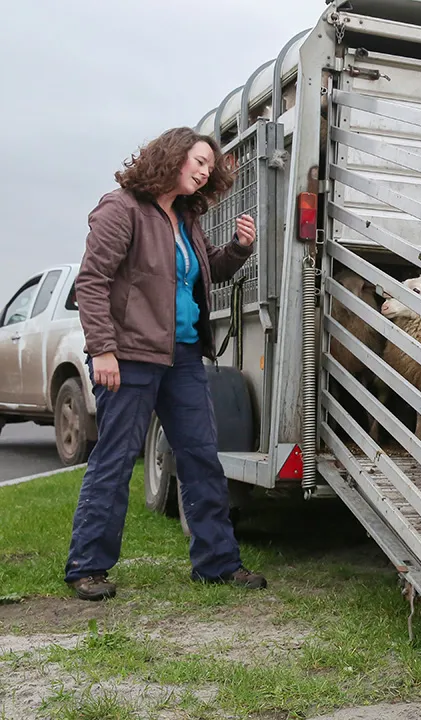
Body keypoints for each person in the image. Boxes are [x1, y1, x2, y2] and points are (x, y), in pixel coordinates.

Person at [65, 127, 267, 601]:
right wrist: (104, 350)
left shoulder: (186, 218)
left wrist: (238, 250)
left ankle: (217, 563)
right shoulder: (121, 209)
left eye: (209, 167)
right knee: (114, 460)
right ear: (171, 156)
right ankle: (87, 566)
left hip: (184, 357)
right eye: (198, 161)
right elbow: (92, 283)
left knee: (201, 457)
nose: (204, 170)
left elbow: (207, 270)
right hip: (130, 357)